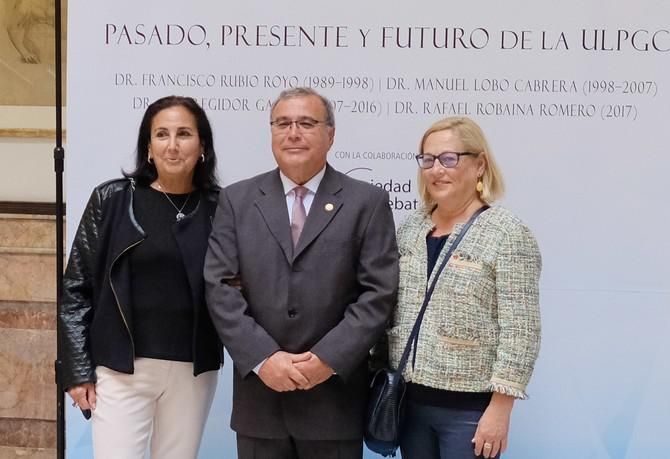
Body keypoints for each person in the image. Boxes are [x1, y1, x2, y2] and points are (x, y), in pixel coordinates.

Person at [204, 87, 399, 459]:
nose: (293, 132)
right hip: (260, 403)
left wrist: (328, 359)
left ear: (331, 134)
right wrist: (264, 358)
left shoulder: (367, 202)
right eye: (283, 123)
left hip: (333, 406)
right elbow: (221, 287)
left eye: (306, 123)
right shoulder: (237, 200)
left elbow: (378, 294)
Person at [59, 95, 223, 459]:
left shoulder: (222, 208)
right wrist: (78, 370)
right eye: (161, 134)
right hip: (121, 368)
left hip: (193, 371)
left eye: (184, 133)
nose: (172, 144)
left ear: (203, 146)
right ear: (148, 147)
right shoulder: (112, 200)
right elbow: (76, 290)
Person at [388, 116, 541, 459]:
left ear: (480, 165)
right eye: (428, 160)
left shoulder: (507, 232)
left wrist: (501, 409)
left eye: (449, 158)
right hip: (409, 405)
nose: (436, 170)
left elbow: (522, 330)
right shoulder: (410, 229)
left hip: (470, 414)